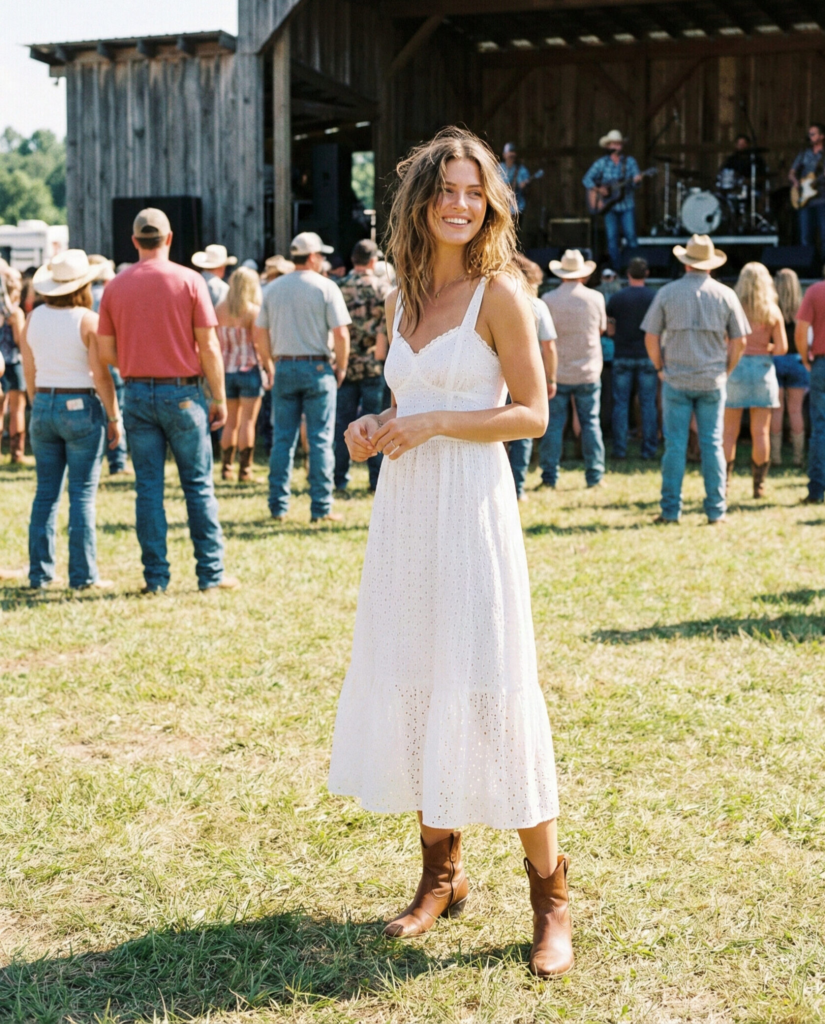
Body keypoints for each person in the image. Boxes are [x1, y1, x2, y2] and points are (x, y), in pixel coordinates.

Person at [327, 127, 572, 979]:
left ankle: (550, 899)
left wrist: (435, 422)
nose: (459, 204)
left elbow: (532, 413)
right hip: (405, 515)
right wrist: (376, 424)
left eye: (473, 191)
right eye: (446, 190)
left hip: (471, 511)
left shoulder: (500, 292)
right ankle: (441, 875)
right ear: (421, 201)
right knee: (419, 680)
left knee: (493, 689)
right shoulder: (405, 294)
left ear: (489, 203)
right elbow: (409, 398)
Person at [96, 208, 239, 594]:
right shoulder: (190, 280)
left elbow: (105, 352)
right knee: (198, 485)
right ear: (170, 238)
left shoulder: (115, 286)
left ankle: (155, 578)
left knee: (148, 488)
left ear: (134, 241)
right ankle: (210, 574)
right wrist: (219, 396)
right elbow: (209, 346)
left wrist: (136, 358)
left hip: (136, 393)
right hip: (184, 393)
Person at [17, 250, 121, 590]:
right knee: (82, 495)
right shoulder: (87, 319)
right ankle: (83, 575)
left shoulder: (33, 318)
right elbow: (101, 375)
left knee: (45, 494)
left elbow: (30, 369)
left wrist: (38, 403)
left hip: (43, 402)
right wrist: (114, 416)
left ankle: (40, 573)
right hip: (80, 404)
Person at [641, 235, 750, 524]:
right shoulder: (726, 294)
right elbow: (740, 340)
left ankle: (670, 511)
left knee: (675, 446)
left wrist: (660, 367)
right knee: (713, 444)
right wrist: (726, 370)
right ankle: (716, 511)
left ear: (686, 263)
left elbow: (650, 336)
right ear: (710, 265)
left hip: (676, 378)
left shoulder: (667, 292)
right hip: (712, 380)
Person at [254, 231, 351, 523]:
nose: (323, 260)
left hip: (284, 366)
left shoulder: (272, 288)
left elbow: (259, 332)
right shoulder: (326, 287)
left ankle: (278, 506)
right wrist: (341, 367)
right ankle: (321, 507)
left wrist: (268, 364)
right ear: (312, 257)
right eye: (321, 255)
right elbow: (341, 333)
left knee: (282, 440)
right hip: (317, 367)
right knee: (320, 439)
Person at [539, 249, 606, 490]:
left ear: (561, 273)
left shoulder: (548, 299)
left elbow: (544, 337)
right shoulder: (595, 298)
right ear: (582, 273)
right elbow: (601, 329)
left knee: (554, 425)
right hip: (588, 370)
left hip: (557, 372)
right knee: (591, 423)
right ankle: (595, 475)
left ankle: (549, 476)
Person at [724, 263, 787, 498]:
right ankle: (759, 486)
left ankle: (724, 484)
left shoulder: (733, 307)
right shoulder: (772, 311)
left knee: (728, 432)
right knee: (761, 432)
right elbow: (782, 348)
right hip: (762, 369)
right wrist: (765, 347)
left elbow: (726, 342)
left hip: (736, 368)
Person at [334, 239, 390, 494]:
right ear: (373, 261)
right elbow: (387, 331)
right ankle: (376, 481)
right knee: (376, 425)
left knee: (343, 425)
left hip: (345, 364)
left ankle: (339, 479)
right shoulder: (383, 289)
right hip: (373, 365)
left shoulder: (339, 287)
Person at [508, 253, 557, 500]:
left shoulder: (491, 300)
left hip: (497, 377)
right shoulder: (536, 305)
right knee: (522, 435)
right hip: (527, 377)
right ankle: (517, 488)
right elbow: (549, 346)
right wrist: (551, 378)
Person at [213, 266, 266, 482]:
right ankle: (245, 471)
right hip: (248, 369)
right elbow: (259, 343)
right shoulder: (252, 311)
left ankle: (226, 468)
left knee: (230, 422)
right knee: (248, 422)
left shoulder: (219, 309)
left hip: (225, 371)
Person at [607, 257, 658, 460]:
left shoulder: (617, 298)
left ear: (628, 274)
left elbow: (610, 328)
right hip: (647, 355)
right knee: (648, 404)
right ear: (647, 274)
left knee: (620, 404)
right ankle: (649, 450)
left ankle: (620, 449)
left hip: (622, 354)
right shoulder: (654, 297)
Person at [89, 255, 130, 477]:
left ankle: (95, 460)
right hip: (111, 360)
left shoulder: (83, 297)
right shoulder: (111, 295)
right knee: (116, 410)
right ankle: (118, 461)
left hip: (88, 363)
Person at [583, 130, 642, 269]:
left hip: (627, 205)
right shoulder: (602, 163)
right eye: (613, 144)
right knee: (611, 239)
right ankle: (617, 269)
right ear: (608, 146)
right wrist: (599, 190)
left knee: (631, 236)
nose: (616, 146)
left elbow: (636, 184)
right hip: (609, 206)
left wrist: (637, 180)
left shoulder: (629, 162)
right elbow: (586, 179)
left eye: (618, 144)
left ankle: (635, 268)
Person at [770, 269, 808, 468]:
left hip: (775, 359)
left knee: (776, 410)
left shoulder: (770, 308)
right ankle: (798, 457)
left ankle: (775, 457)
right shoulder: (802, 308)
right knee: (795, 410)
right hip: (797, 360)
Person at [793, 271, 825, 503]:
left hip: (821, 363)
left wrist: (806, 358)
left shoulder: (815, 291)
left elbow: (801, 331)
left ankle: (816, 490)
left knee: (820, 428)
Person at [1, 268, 28, 463]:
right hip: (14, 363)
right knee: (17, 409)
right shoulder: (15, 313)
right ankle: (17, 453)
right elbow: (20, 341)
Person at [789, 124, 825, 259]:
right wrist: (795, 182)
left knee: (824, 235)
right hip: (804, 200)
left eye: (813, 134)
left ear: (822, 136)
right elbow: (792, 173)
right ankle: (808, 265)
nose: (810, 137)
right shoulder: (804, 153)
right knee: (805, 236)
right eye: (809, 134)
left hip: (822, 199)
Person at [499, 143, 532, 217]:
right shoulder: (499, 168)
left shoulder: (521, 170)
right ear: (504, 155)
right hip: (502, 208)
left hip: (518, 208)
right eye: (510, 152)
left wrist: (524, 184)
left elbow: (527, 185)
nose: (512, 154)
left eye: (513, 152)